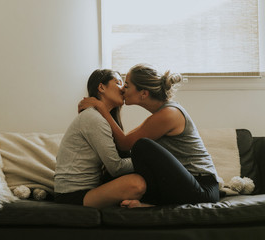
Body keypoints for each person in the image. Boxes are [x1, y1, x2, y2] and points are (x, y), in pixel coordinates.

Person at [78, 63, 220, 208]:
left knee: (142, 146)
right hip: (183, 184)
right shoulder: (159, 115)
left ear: (143, 93)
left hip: (202, 189)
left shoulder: (169, 114)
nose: (122, 90)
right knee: (129, 158)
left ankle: (150, 204)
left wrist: (102, 108)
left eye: (126, 85)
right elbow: (126, 144)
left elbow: (125, 143)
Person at [54, 69, 147, 209]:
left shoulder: (100, 117)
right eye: (118, 82)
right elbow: (116, 167)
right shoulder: (93, 118)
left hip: (90, 189)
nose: (123, 89)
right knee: (136, 183)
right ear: (101, 87)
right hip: (72, 194)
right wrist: (148, 160)